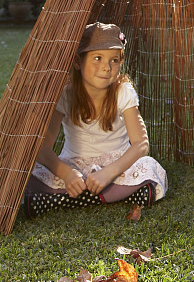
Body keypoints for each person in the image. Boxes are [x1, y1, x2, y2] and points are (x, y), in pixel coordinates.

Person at [25, 22, 168, 217]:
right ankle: (111, 196)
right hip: (75, 166)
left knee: (148, 167)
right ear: (78, 61)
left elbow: (141, 144)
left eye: (114, 60)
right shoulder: (66, 94)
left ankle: (65, 199)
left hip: (116, 166)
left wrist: (108, 173)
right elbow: (41, 147)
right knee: (31, 170)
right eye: (97, 58)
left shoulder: (123, 92)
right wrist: (66, 173)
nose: (107, 68)